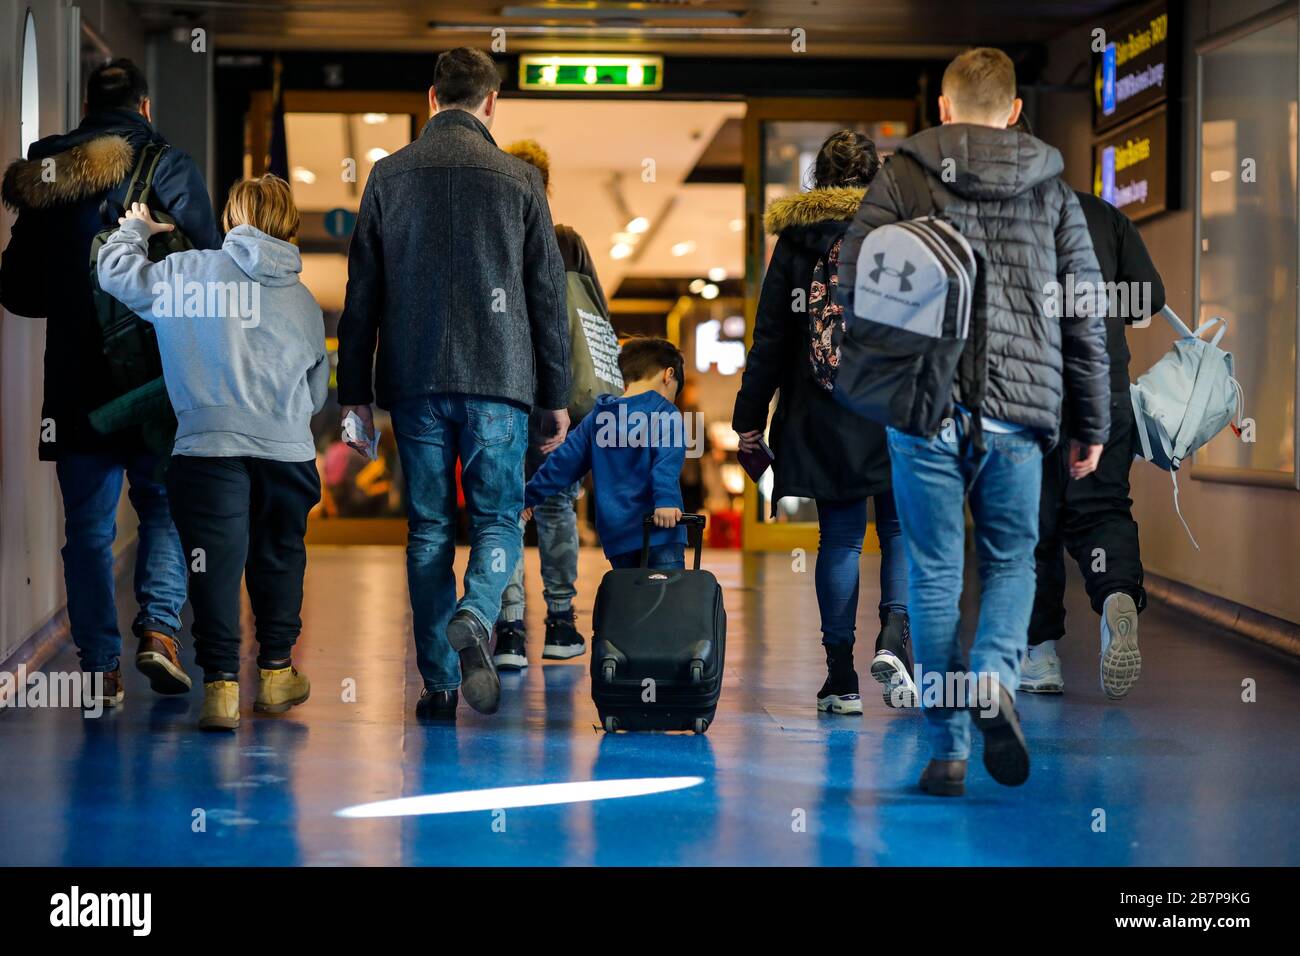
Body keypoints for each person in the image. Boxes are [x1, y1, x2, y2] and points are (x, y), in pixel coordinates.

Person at [838, 47, 1111, 795]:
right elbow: (1085, 313)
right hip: (1018, 417)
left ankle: (948, 749)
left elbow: (854, 280)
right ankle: (994, 678)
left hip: (923, 409)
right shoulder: (1054, 190)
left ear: (945, 110)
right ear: (1016, 111)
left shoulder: (905, 173)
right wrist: (1092, 420)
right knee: (1011, 564)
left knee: (932, 574)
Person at [336, 48, 571, 722]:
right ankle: (477, 610)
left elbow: (362, 299)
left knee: (430, 530)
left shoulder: (387, 176)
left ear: (431, 98)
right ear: (490, 103)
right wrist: (553, 396)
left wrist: (354, 394)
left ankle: (438, 686)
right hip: (501, 382)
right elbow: (547, 300)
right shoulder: (521, 180)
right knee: (498, 518)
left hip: (414, 381)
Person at [0, 58, 221, 708]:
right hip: (159, 379)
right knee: (162, 509)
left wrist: (76, 300)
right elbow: (208, 271)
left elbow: (15, 288)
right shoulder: (172, 166)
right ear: (145, 108)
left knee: (90, 531)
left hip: (75, 384)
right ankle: (158, 629)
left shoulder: (47, 171)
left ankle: (100, 668)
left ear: (87, 107)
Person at [96, 176, 328, 731]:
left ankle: (220, 690)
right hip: (286, 450)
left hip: (207, 449)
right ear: (289, 225)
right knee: (278, 558)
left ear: (231, 220)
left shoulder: (189, 274)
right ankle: (274, 674)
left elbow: (114, 272)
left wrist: (134, 230)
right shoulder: (303, 300)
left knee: (213, 568)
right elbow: (316, 392)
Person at [733, 130, 913, 716]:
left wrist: (749, 422)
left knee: (839, 538)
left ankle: (841, 680)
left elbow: (771, 339)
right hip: (894, 408)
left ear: (819, 180)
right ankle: (894, 639)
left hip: (824, 412)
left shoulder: (795, 241)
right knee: (898, 531)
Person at [1016, 117, 1165, 699]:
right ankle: (1116, 597)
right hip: (1101, 392)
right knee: (1102, 507)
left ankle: (1041, 654)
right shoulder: (1105, 215)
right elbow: (1149, 298)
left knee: (1034, 523)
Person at [492, 139, 608, 670]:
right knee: (559, 506)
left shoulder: (491, 240)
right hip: (559, 399)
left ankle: (510, 630)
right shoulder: (567, 243)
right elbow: (596, 325)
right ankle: (561, 624)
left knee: (507, 511)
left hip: (502, 396)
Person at [522, 338, 687, 570]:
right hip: (661, 530)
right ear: (668, 375)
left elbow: (562, 463)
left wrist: (530, 495)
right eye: (674, 393)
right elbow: (666, 464)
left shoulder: (598, 418)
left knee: (628, 598)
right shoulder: (666, 413)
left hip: (617, 536)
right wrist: (666, 501)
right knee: (668, 599)